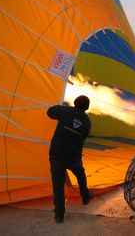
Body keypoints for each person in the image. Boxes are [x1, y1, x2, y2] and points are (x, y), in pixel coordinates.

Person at [47, 95, 94, 223]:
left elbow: (49, 112)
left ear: (75, 102)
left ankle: (59, 215)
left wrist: (58, 107)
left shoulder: (65, 111)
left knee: (58, 187)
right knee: (80, 174)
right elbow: (82, 137)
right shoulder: (87, 122)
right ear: (87, 107)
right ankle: (85, 197)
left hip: (57, 156)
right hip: (74, 157)